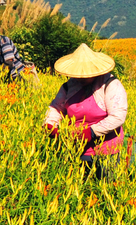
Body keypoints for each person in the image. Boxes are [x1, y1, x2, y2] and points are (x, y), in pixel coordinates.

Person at [43, 43, 127, 180]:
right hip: (76, 147)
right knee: (79, 187)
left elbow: (118, 116)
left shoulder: (111, 84)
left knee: (106, 188)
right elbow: (56, 107)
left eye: (85, 74)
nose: (81, 78)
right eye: (78, 74)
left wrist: (91, 132)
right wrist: (50, 124)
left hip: (106, 149)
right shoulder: (69, 85)